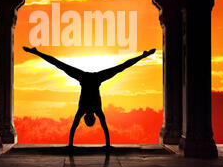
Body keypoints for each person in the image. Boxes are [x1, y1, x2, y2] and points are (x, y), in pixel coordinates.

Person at [23, 46, 156, 148]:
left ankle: (36, 52)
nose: (91, 116)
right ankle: (144, 56)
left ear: (87, 117)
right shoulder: (97, 111)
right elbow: (104, 126)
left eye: (89, 118)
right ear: (92, 117)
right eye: (92, 118)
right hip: (96, 79)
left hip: (84, 78)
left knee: (59, 65)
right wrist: (108, 145)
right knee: (121, 67)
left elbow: (74, 126)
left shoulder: (82, 110)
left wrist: (70, 145)